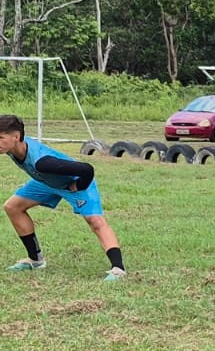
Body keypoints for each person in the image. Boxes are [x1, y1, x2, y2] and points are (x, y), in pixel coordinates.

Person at [1, 115, 126, 280]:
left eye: (0, 138)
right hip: (45, 182)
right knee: (12, 207)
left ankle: (118, 269)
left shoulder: (42, 161)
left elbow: (87, 169)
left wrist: (78, 186)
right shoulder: (11, 148)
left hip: (74, 182)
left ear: (16, 137)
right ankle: (36, 260)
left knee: (95, 221)